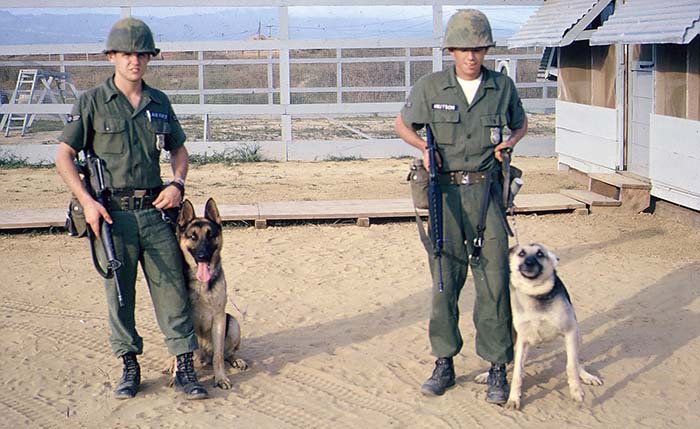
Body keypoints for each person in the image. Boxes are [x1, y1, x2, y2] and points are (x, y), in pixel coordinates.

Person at [55, 17, 208, 401]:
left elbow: (179, 149)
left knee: (172, 289)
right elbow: (64, 156)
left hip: (156, 213)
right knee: (119, 294)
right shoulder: (91, 102)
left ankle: (185, 365)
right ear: (111, 56)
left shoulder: (159, 102)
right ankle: (129, 365)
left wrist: (177, 184)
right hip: (111, 217)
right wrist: (87, 203)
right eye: (126, 53)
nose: (134, 61)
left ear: (150, 58)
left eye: (142, 54)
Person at [394, 9, 528, 405]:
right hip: (444, 195)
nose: (472, 56)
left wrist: (510, 143)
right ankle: (444, 362)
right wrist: (422, 149)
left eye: (479, 49)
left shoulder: (502, 87)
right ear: (451, 50)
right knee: (444, 281)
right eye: (464, 49)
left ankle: (497, 367)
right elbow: (402, 124)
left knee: (495, 282)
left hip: (486, 194)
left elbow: (521, 123)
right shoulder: (431, 87)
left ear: (486, 50)